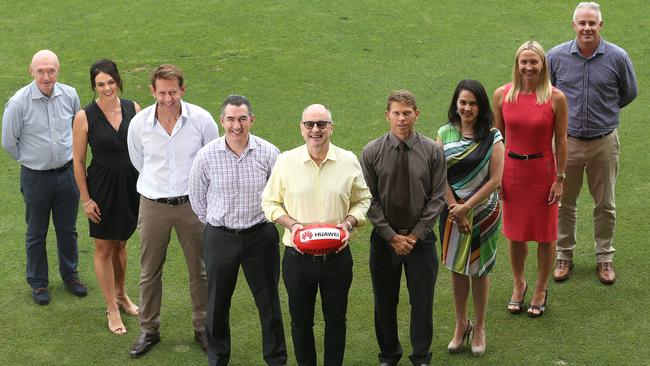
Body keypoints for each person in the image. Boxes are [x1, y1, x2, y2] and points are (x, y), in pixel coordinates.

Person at [261, 104, 371, 366]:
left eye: (321, 124)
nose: (315, 129)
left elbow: (363, 199)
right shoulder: (285, 162)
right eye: (309, 124)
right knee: (301, 324)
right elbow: (269, 203)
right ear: (301, 129)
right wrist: (291, 224)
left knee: (336, 322)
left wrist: (349, 222)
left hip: (337, 259)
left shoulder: (348, 160)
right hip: (297, 260)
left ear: (331, 128)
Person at [126, 64, 219, 357]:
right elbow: (138, 160)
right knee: (149, 272)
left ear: (183, 90)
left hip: (193, 205)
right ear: (152, 91)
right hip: (153, 205)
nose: (168, 98)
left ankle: (202, 328)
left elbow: (211, 160)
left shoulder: (202, 120)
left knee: (200, 271)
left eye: (173, 92)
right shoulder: (139, 124)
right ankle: (149, 330)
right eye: (162, 92)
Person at [189, 95, 287, 366]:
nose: (237, 125)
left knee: (269, 303)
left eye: (242, 119)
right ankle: (218, 360)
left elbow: (279, 195)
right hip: (220, 238)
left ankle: (276, 360)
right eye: (231, 119)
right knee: (218, 305)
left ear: (251, 120)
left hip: (261, 236)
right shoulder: (206, 155)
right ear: (222, 121)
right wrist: (217, 223)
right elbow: (197, 199)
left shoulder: (269, 153)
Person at [547, 2, 637, 285]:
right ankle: (564, 256)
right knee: (563, 204)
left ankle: (604, 259)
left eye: (592, 23)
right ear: (573, 25)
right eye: (582, 23)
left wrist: (604, 112)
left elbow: (628, 92)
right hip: (567, 143)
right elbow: (545, 94)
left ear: (601, 25)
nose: (587, 28)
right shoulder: (556, 57)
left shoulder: (618, 57)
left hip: (604, 143)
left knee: (605, 205)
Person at [361, 90, 446, 366]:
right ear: (387, 115)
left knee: (422, 303)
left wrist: (414, 235)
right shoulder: (372, 151)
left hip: (421, 241)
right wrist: (391, 236)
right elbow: (368, 199)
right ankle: (388, 354)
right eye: (396, 113)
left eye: (407, 113)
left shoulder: (433, 151)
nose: (401, 119)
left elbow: (437, 198)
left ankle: (421, 356)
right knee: (384, 302)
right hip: (385, 240)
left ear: (417, 114)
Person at [2, 50, 87, 305]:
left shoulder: (70, 95)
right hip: (35, 178)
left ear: (58, 70)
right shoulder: (18, 102)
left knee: (68, 230)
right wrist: (32, 160)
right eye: (41, 71)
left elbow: (77, 129)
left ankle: (70, 276)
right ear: (31, 71)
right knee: (36, 232)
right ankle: (39, 283)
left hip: (67, 175)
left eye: (51, 70)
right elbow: (9, 142)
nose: (46, 76)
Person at [493, 41, 568, 318]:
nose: (528, 67)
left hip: (543, 172)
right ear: (517, 64)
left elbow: (561, 141)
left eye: (533, 62)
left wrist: (560, 178)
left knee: (546, 235)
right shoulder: (502, 95)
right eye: (523, 62)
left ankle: (540, 287)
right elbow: (496, 139)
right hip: (512, 171)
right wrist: (496, 175)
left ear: (542, 65)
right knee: (515, 235)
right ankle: (518, 283)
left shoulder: (555, 97)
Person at [72, 59, 141, 335]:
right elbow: (78, 161)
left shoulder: (134, 108)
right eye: (100, 84)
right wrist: (86, 200)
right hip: (101, 187)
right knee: (103, 248)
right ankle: (111, 308)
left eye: (110, 82)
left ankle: (122, 295)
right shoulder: (84, 116)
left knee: (121, 244)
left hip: (129, 186)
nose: (107, 88)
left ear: (118, 80)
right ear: (94, 86)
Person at [437, 80, 504, 357]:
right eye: (462, 102)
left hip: (484, 211)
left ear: (481, 106)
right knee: (456, 267)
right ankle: (461, 324)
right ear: (456, 104)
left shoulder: (493, 136)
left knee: (479, 270)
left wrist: (468, 208)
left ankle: (480, 328)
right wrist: (455, 207)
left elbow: (496, 179)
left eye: (472, 103)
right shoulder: (444, 132)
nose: (466, 108)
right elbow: (439, 174)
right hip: (451, 210)